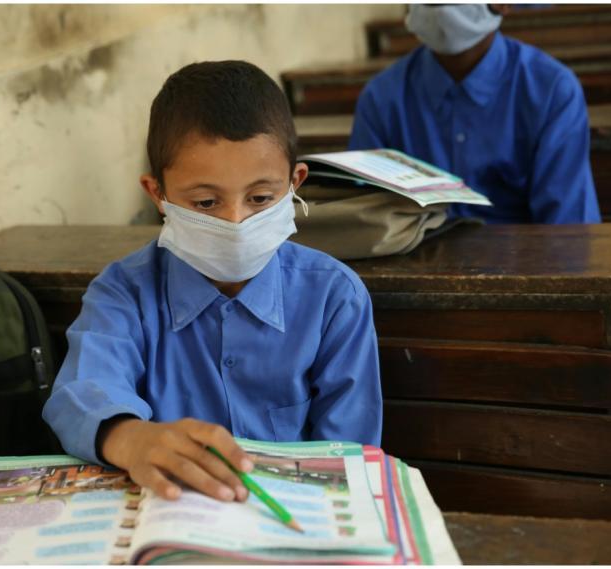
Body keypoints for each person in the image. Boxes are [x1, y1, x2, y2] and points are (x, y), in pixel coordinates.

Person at [43, 61, 382, 504]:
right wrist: (129, 437)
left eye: (260, 198)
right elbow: (83, 391)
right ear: (158, 194)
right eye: (206, 202)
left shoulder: (334, 298)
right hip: (171, 513)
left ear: (294, 183)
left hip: (294, 517)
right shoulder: (124, 292)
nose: (235, 221)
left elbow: (349, 454)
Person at [349, 4, 601, 224]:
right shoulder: (381, 98)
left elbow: (568, 229)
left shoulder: (551, 90)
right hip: (414, 259)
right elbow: (364, 216)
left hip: (526, 260)